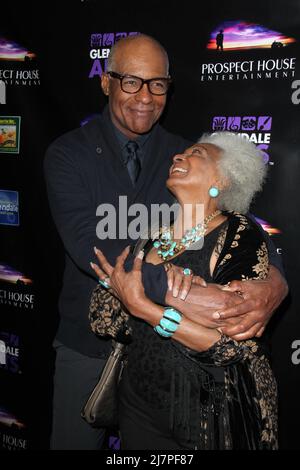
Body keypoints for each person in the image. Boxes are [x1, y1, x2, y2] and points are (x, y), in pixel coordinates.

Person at [44, 34, 287, 450]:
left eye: (158, 84)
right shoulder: (67, 155)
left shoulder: (183, 156)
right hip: (89, 343)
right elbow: (94, 249)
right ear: (106, 82)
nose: (145, 96)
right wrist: (187, 294)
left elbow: (232, 227)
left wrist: (276, 281)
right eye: (131, 81)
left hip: (169, 355)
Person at [92, 132, 280, 450]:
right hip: (138, 406)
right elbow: (102, 317)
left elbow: (232, 346)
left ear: (222, 178)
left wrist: (145, 307)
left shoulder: (240, 232)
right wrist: (173, 292)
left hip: (211, 411)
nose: (179, 156)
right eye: (181, 153)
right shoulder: (150, 238)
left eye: (198, 153)